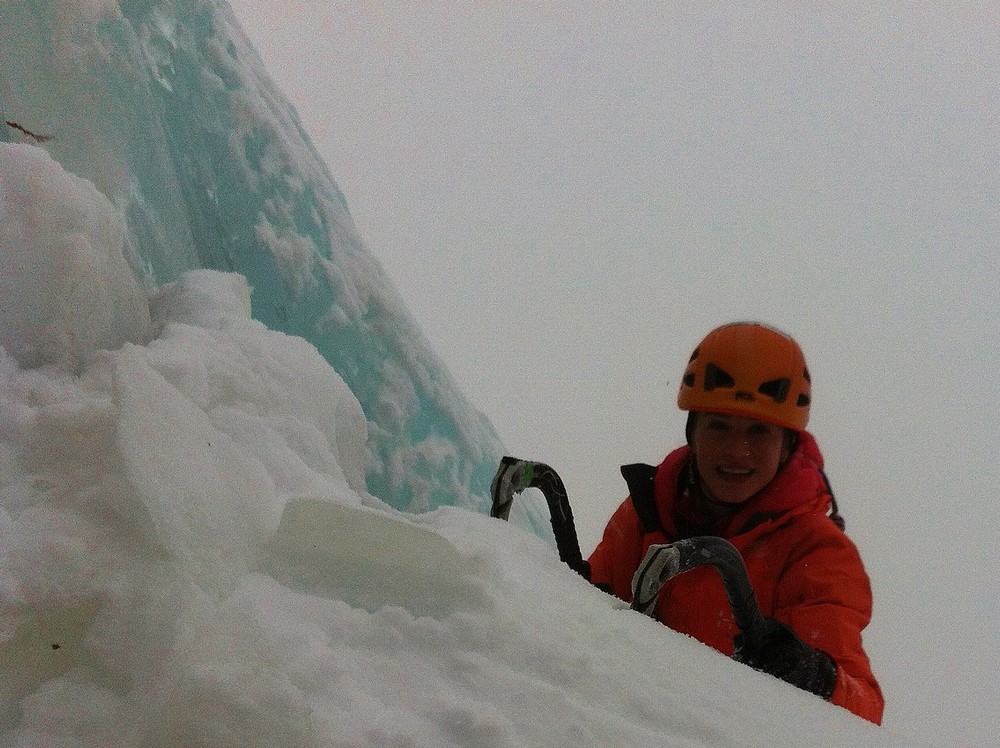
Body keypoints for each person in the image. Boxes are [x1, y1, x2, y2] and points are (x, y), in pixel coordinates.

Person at [586, 322, 884, 724]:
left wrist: (814, 676)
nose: (737, 452)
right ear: (693, 430)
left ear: (787, 445)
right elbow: (585, 619)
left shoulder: (816, 553)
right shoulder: (649, 510)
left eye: (759, 432)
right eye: (719, 426)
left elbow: (861, 714)